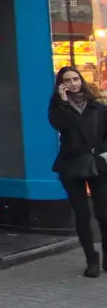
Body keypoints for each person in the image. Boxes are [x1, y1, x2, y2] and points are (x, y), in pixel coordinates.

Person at [49, 65, 107, 277]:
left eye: (76, 79)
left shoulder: (98, 108)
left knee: (104, 214)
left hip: (98, 165)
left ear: (81, 80)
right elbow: (61, 126)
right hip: (71, 166)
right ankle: (91, 259)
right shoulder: (57, 108)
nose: (73, 84)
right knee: (82, 214)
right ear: (61, 85)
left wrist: (105, 154)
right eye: (68, 81)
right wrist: (63, 102)